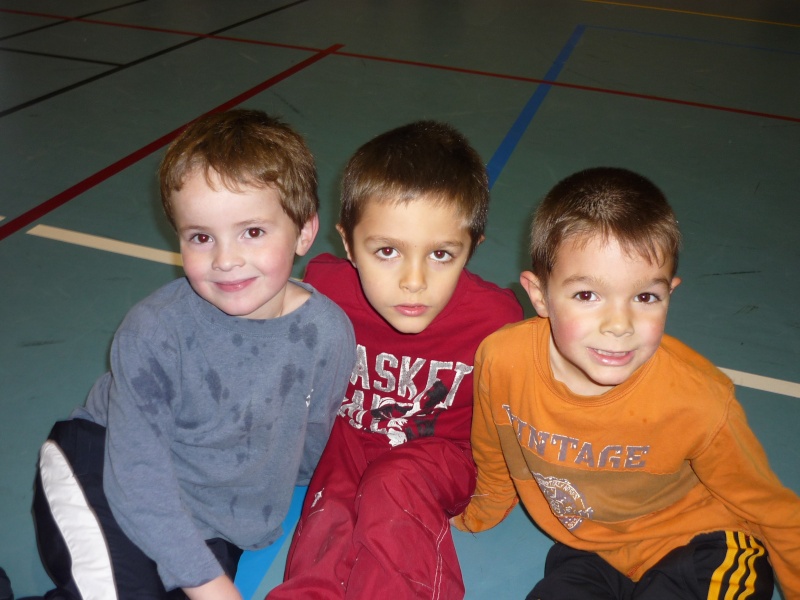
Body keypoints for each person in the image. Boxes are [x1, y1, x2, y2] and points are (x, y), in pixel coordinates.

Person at [30, 109, 356, 600]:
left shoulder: (329, 333)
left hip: (206, 510)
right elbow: (136, 477)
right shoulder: (155, 330)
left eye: (252, 231)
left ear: (305, 232)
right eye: (201, 237)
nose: (225, 260)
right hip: (103, 466)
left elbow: (310, 439)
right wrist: (207, 582)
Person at [453, 167, 800, 599]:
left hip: (702, 545)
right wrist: (481, 512)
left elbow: (771, 509)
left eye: (645, 297)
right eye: (587, 295)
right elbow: (494, 448)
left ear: (670, 293)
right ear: (539, 295)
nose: (619, 325)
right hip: (591, 548)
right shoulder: (502, 360)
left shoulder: (699, 400)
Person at [267, 121, 523, 599]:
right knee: (330, 510)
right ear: (348, 244)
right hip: (349, 441)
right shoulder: (327, 287)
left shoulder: (495, 319)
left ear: (471, 249)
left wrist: (495, 489)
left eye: (442, 255)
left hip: (440, 456)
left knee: (396, 482)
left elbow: (518, 411)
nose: (413, 281)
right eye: (387, 251)